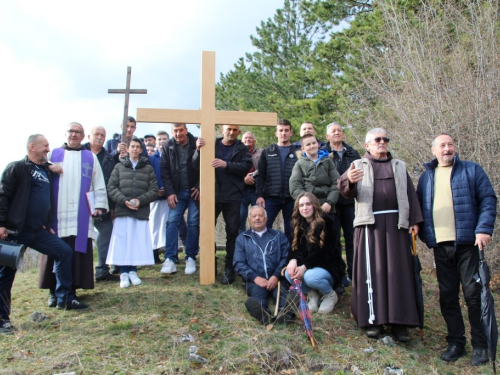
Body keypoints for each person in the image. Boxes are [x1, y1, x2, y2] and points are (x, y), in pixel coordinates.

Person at [417, 133, 497, 366]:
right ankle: (456, 343)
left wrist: (484, 229)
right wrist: (422, 232)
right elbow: (418, 209)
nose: (447, 149)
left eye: (450, 144)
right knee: (448, 296)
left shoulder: (472, 170)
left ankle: (481, 345)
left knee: (474, 295)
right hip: (440, 247)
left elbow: (488, 199)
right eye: (442, 145)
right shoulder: (426, 178)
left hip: (468, 244)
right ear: (434, 151)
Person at [338, 127, 423, 342]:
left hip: (397, 226)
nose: (382, 142)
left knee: (398, 273)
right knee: (372, 273)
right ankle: (373, 320)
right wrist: (350, 180)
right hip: (370, 226)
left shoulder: (399, 166)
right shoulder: (357, 165)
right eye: (377, 139)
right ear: (367, 145)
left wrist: (414, 220)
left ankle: (398, 322)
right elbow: (345, 192)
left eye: (385, 139)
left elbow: (410, 195)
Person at [0, 135, 90, 333]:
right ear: (31, 146)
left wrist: (47, 223)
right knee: (6, 275)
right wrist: (1, 224)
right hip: (15, 231)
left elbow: (47, 198)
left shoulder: (44, 170)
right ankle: (2, 320)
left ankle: (64, 298)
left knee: (64, 252)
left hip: (37, 231)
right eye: (45, 146)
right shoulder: (16, 168)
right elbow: (3, 195)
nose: (48, 149)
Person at [39, 122, 108, 306]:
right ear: (66, 134)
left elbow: (98, 182)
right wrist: (48, 167)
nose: (74, 135)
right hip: (56, 214)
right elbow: (36, 170)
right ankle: (53, 292)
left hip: (81, 213)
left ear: (83, 136)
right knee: (55, 249)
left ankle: (71, 291)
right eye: (71, 131)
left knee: (76, 251)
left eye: (78, 132)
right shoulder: (53, 155)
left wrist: (100, 205)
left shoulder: (90, 157)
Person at [196, 125, 252, 284]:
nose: (231, 132)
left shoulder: (241, 148)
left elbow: (245, 167)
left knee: (232, 232)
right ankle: (209, 265)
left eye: (235, 130)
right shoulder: (210, 144)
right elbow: (194, 164)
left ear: (239, 132)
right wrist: (197, 151)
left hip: (232, 195)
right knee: (206, 230)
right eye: (229, 129)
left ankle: (229, 268)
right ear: (222, 129)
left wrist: (226, 164)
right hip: (210, 193)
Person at [106, 137, 158, 288]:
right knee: (123, 241)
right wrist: (124, 200)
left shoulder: (147, 168)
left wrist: (140, 201)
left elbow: (154, 190)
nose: (135, 149)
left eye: (137, 147)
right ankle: (123, 272)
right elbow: (112, 187)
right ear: (127, 149)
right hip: (123, 211)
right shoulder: (119, 167)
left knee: (136, 241)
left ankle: (133, 271)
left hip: (140, 212)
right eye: (132, 147)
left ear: (141, 150)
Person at [285, 193, 345, 314]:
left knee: (310, 277)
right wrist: (292, 261)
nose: (305, 208)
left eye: (308, 204)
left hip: (328, 267)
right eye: (301, 205)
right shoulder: (298, 224)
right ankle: (312, 295)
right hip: (307, 267)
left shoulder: (326, 222)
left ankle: (330, 295)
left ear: (315, 206)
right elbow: (294, 249)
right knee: (288, 273)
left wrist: (304, 267)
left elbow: (324, 253)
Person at [234, 206, 291, 325]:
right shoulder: (242, 238)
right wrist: (255, 277)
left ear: (266, 218)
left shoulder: (278, 236)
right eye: (254, 216)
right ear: (249, 220)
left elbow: (286, 257)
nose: (257, 218)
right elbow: (238, 263)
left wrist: (276, 276)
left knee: (282, 296)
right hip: (255, 281)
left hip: (278, 279)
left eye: (260, 215)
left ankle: (284, 315)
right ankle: (264, 316)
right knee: (258, 297)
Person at [323, 122, 361, 287]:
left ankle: (355, 273)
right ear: (327, 136)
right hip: (331, 204)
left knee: (353, 239)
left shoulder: (353, 153)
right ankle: (340, 275)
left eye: (339, 130)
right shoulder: (322, 154)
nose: (337, 133)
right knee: (334, 241)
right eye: (333, 131)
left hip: (351, 202)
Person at [160, 123, 200, 276]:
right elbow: (164, 171)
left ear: (186, 130)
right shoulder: (167, 146)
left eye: (181, 130)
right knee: (172, 222)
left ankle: (190, 256)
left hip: (193, 192)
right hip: (176, 192)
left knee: (193, 223)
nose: (178, 134)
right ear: (172, 131)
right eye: (175, 131)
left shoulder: (196, 143)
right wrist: (169, 192)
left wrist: (199, 186)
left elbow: (204, 166)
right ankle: (170, 258)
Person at [83, 126, 120, 282]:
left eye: (102, 135)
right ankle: (81, 272)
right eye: (96, 134)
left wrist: (110, 206)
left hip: (100, 203)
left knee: (106, 232)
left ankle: (102, 270)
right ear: (89, 136)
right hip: (81, 203)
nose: (99, 137)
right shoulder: (80, 153)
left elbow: (112, 183)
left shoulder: (109, 158)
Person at [255, 119, 301, 242]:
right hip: (270, 197)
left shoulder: (298, 152)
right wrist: (259, 195)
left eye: (286, 130)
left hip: (292, 198)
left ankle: (290, 259)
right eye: (281, 130)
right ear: (276, 133)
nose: (283, 133)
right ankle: (263, 258)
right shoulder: (267, 151)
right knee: (262, 227)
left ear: (291, 133)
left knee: (292, 231)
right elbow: (261, 175)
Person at [289, 133, 340, 216]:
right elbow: (295, 187)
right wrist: (307, 203)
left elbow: (337, 183)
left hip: (327, 208)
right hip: (308, 210)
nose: (312, 146)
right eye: (308, 144)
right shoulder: (299, 164)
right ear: (303, 148)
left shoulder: (328, 162)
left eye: (314, 143)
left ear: (318, 144)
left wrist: (329, 202)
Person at [149, 130, 170, 264]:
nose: (162, 141)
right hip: (155, 198)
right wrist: (155, 190)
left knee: (169, 227)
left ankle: (170, 254)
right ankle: (153, 254)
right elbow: (148, 177)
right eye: (159, 139)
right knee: (154, 227)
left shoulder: (171, 156)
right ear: (156, 141)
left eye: (164, 139)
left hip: (169, 197)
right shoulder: (151, 159)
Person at [239, 132, 262, 233]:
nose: (248, 139)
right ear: (241, 141)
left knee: (258, 218)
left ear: (254, 141)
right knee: (240, 218)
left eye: (250, 138)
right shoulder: (237, 153)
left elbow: (263, 168)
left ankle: (257, 241)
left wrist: (252, 175)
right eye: (246, 138)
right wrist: (244, 178)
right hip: (241, 190)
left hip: (256, 190)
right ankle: (243, 243)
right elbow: (233, 168)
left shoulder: (260, 153)